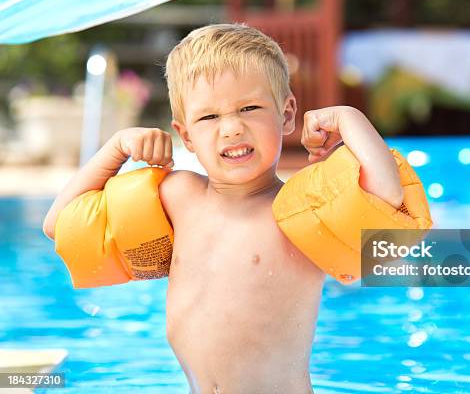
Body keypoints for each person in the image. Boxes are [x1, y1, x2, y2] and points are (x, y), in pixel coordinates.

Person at [43, 23, 431, 393]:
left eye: (249, 109)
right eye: (209, 116)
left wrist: (348, 118)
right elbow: (59, 224)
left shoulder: (298, 211)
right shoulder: (178, 197)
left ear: (287, 114)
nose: (231, 128)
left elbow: (386, 195)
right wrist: (115, 150)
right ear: (186, 135)